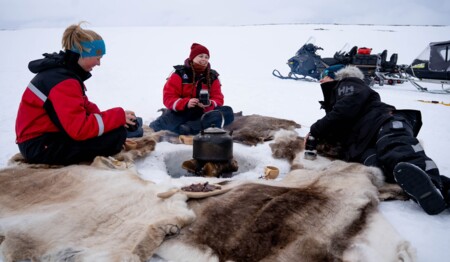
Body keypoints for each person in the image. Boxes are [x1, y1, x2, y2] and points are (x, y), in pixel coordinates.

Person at [306, 64, 450, 215]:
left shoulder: (348, 83)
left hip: (384, 123)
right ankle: (441, 190)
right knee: (383, 169)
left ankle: (433, 186)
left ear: (335, 76)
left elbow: (345, 110)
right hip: (364, 143)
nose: (321, 79)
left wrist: (315, 130)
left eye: (325, 75)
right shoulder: (336, 98)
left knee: (399, 151)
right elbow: (339, 123)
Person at [15, 22, 138, 165]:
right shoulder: (64, 82)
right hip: (39, 146)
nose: (98, 63)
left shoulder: (62, 73)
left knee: (114, 130)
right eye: (98, 58)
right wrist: (116, 118)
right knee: (115, 137)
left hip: (43, 138)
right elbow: (79, 129)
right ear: (84, 55)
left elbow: (83, 107)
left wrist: (118, 119)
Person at [149, 43, 234, 135]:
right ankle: (190, 127)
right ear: (192, 57)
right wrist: (186, 103)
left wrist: (209, 103)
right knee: (157, 127)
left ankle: (189, 128)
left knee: (227, 112)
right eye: (201, 56)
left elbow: (218, 98)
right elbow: (168, 97)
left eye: (206, 57)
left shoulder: (212, 76)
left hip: (204, 113)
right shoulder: (179, 74)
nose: (204, 59)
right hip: (183, 111)